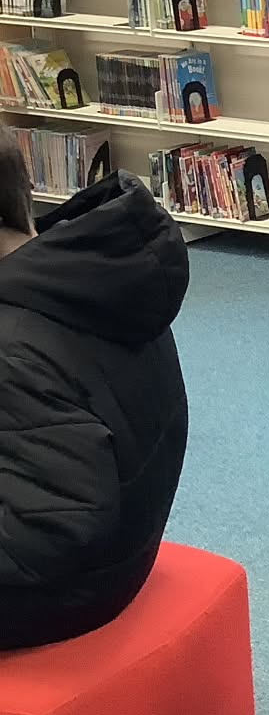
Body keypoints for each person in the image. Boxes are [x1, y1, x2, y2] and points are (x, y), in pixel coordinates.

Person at [0, 140, 190, 651]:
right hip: (130, 539)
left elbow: (52, 532)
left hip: (70, 590)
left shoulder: (13, 344)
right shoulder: (90, 270)